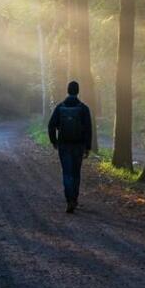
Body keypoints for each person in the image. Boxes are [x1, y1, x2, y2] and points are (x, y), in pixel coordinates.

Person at [47, 80, 93, 213]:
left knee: (67, 173)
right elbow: (88, 129)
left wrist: (54, 142)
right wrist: (87, 147)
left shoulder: (60, 107)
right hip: (78, 145)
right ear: (78, 91)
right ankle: (75, 198)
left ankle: (69, 200)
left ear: (67, 90)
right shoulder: (84, 108)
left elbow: (51, 126)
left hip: (64, 145)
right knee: (76, 173)